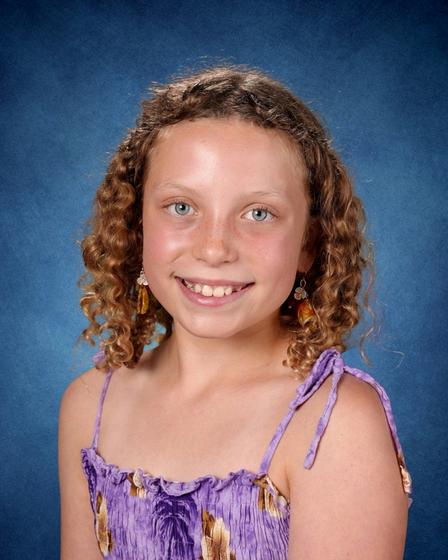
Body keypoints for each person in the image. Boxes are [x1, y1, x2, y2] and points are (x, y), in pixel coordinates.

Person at [58, 64, 413, 560]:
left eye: (258, 213)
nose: (214, 248)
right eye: (182, 207)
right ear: (136, 227)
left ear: (309, 244)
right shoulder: (89, 405)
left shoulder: (332, 423)